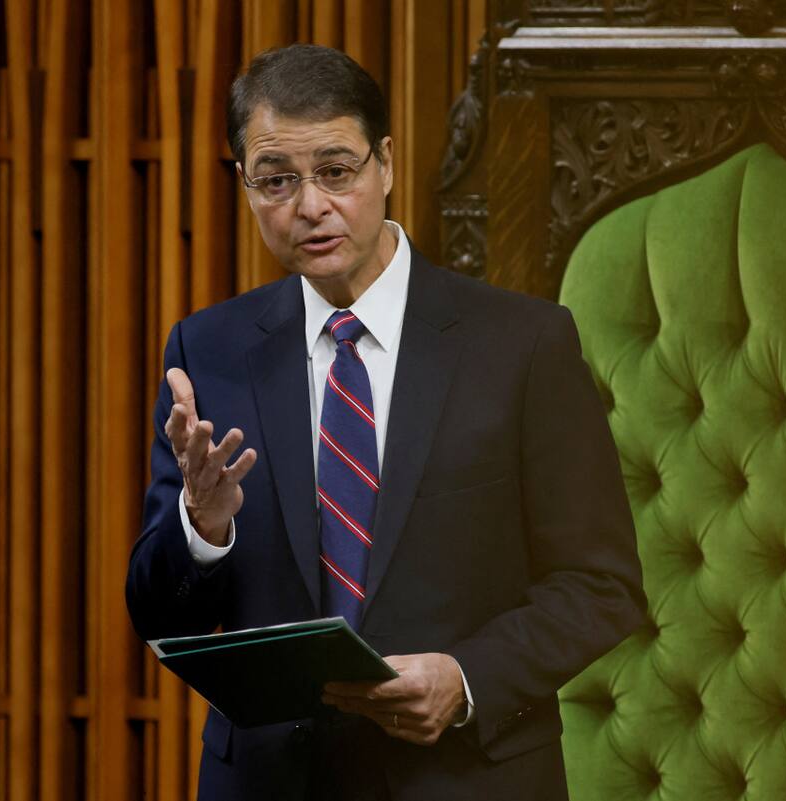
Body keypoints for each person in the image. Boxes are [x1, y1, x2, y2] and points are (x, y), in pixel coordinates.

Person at [126, 44, 645, 801]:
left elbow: (602, 584)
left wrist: (466, 677)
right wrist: (201, 528)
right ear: (244, 185)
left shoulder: (522, 345)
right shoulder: (208, 353)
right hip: (273, 781)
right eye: (276, 180)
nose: (309, 206)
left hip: (464, 777)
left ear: (386, 165)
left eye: (336, 171)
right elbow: (156, 608)